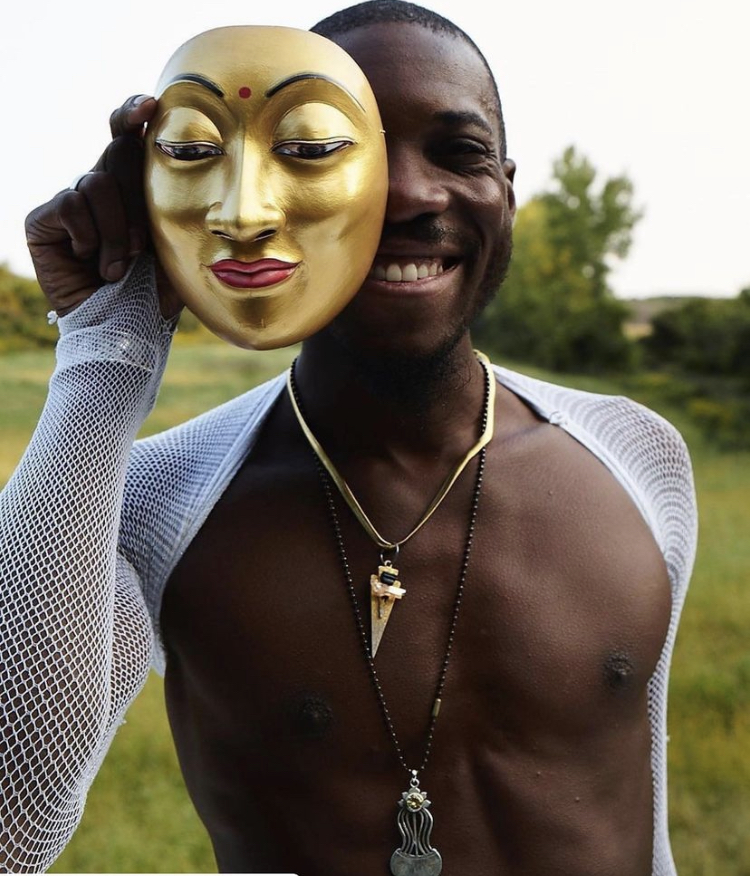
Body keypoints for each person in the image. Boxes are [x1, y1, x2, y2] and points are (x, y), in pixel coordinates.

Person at [2, 1, 697, 874]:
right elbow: (8, 826)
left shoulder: (638, 458)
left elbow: (648, 822)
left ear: (506, 190)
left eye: (459, 152)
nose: (408, 194)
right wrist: (110, 342)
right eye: (317, 149)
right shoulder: (155, 503)